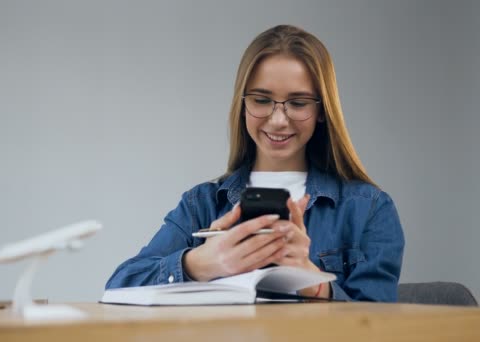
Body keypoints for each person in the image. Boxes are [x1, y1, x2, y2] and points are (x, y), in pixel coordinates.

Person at [105, 24, 405, 301]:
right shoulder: (202, 204)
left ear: (322, 111)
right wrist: (199, 263)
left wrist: (314, 282)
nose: (277, 121)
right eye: (261, 100)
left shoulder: (368, 209)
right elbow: (119, 288)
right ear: (242, 104)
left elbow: (379, 324)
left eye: (298, 103)